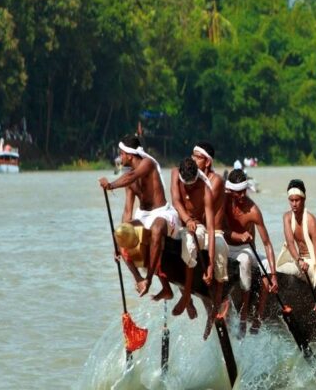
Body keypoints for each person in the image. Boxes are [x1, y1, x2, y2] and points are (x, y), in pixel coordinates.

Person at [99, 134, 177, 303]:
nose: (120, 157)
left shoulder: (147, 164)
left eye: (121, 154)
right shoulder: (129, 177)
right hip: (143, 216)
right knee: (119, 234)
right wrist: (120, 241)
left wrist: (110, 185)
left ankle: (149, 279)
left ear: (129, 154)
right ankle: (139, 279)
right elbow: (128, 211)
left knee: (156, 230)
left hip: (161, 213)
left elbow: (130, 177)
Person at [170, 150, 230, 325]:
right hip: (179, 224)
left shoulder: (206, 189)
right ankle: (186, 297)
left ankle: (215, 309)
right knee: (179, 244)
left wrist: (210, 264)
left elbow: (211, 228)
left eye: (192, 184)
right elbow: (176, 201)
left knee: (208, 247)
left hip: (199, 228)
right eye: (185, 184)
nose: (189, 188)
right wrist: (186, 219)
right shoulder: (175, 173)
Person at [223, 168, 277, 334]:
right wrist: (239, 235)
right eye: (237, 192)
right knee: (244, 260)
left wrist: (273, 275)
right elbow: (217, 229)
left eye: (243, 191)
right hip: (225, 246)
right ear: (230, 190)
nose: (241, 196)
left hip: (246, 249)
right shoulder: (223, 201)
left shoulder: (253, 210)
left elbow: (267, 244)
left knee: (266, 266)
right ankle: (229, 310)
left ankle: (256, 317)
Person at [277, 179, 316, 292]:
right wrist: (299, 260)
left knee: (281, 270)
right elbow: (290, 243)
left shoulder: (311, 221)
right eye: (291, 200)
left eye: (297, 200)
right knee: (274, 269)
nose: (294, 204)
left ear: (304, 199)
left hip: (312, 266)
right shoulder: (287, 217)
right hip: (300, 262)